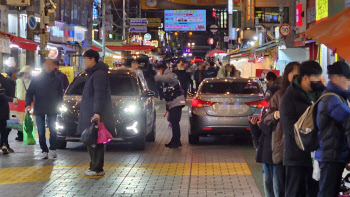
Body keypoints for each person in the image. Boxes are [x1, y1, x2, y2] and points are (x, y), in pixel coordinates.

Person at [280, 60, 325, 197]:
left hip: (318, 157)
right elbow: (290, 129)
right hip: (296, 156)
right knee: (295, 192)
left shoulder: (322, 93)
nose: (318, 81)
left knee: (315, 192)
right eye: (315, 78)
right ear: (305, 78)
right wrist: (311, 141)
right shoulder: (289, 98)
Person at [264, 62, 301, 197]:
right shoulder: (280, 95)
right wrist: (277, 114)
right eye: (295, 74)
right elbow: (266, 118)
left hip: (302, 149)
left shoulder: (307, 95)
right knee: (281, 188)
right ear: (287, 75)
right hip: (283, 148)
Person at [77, 49, 114, 176]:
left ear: (92, 59)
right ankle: (94, 166)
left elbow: (99, 94)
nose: (84, 61)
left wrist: (97, 112)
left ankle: (97, 168)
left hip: (94, 113)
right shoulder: (93, 73)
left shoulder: (98, 74)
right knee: (92, 140)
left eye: (85, 59)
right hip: (91, 112)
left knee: (95, 140)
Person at [315, 62, 350, 197]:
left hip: (332, 155)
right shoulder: (332, 100)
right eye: (347, 79)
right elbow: (348, 120)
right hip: (331, 156)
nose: (349, 82)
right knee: (327, 193)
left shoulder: (335, 96)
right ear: (336, 78)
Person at [25, 59, 63, 159]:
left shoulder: (57, 79)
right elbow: (29, 92)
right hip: (39, 108)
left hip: (52, 108)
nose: (50, 67)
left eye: (52, 65)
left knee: (53, 129)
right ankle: (44, 150)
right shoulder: (36, 79)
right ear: (43, 66)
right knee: (41, 131)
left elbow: (60, 94)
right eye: (48, 65)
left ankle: (53, 149)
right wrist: (27, 104)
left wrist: (59, 104)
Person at [155, 66, 186, 148]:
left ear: (162, 69)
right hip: (173, 103)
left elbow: (164, 78)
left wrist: (156, 77)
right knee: (173, 122)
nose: (157, 72)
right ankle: (174, 140)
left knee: (175, 122)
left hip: (177, 102)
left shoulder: (170, 75)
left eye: (158, 70)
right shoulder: (167, 78)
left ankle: (177, 141)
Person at [0, 74, 18, 154]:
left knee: (4, 128)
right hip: (5, 109)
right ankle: (4, 144)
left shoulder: (5, 80)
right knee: (5, 128)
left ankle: (4, 144)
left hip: (5, 109)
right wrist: (12, 99)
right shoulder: (7, 81)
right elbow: (3, 96)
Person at [15, 65, 32, 141]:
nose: (25, 75)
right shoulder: (18, 81)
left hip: (27, 103)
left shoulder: (32, 82)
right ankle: (20, 135)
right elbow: (16, 91)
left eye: (27, 73)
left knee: (27, 118)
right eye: (24, 73)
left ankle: (27, 134)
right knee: (19, 119)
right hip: (19, 102)